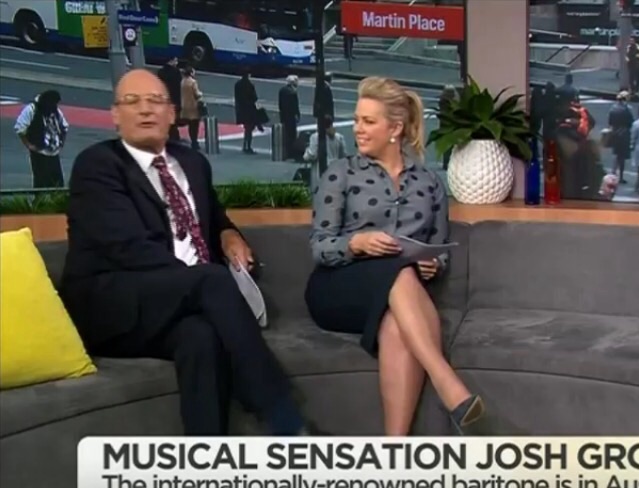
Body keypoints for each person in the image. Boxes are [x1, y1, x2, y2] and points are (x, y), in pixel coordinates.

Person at [59, 69, 312, 437]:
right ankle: (286, 422)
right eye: (132, 101)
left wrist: (228, 234)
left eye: (155, 101)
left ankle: (204, 459)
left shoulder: (192, 163)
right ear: (115, 115)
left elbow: (213, 215)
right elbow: (126, 248)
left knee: (200, 337)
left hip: (181, 304)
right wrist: (196, 283)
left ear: (172, 114)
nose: (145, 110)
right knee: (211, 281)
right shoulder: (97, 166)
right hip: (115, 302)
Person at [305, 77, 506, 436]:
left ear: (395, 128)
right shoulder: (340, 174)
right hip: (339, 287)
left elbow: (440, 250)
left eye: (368, 121)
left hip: (399, 294)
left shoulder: (429, 183)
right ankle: (448, 384)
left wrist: (432, 264)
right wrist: (358, 243)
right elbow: (320, 246)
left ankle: (395, 451)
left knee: (397, 322)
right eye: (357, 120)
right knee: (398, 271)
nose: (357, 129)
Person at [14, 90, 68, 188]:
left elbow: (64, 126)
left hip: (54, 153)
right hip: (39, 152)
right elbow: (20, 128)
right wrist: (29, 145)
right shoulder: (31, 109)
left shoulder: (55, 110)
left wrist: (61, 142)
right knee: (41, 182)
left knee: (57, 183)